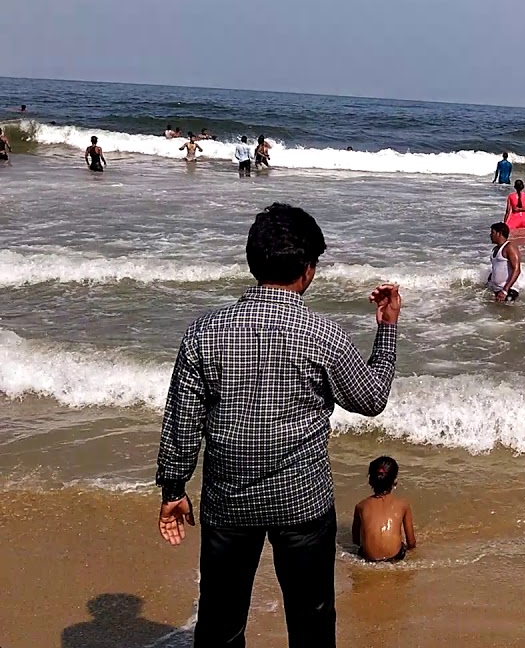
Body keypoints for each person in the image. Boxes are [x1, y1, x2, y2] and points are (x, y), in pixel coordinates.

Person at [155, 202, 401, 648]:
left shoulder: (203, 332)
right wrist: (386, 329)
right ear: (307, 270)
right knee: (311, 624)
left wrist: (173, 490)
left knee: (220, 623)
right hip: (302, 503)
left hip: (229, 501)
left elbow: (182, 420)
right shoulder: (322, 334)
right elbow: (371, 398)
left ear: (254, 262)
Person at [352, 457, 417, 563]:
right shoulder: (403, 505)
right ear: (395, 481)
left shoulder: (360, 506)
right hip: (395, 557)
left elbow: (355, 541)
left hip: (368, 558)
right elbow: (412, 543)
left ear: (370, 481)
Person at [486, 222, 521, 302]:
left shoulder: (509, 247)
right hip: (497, 290)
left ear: (499, 234)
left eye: (492, 233)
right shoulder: (495, 249)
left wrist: (505, 290)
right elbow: (497, 267)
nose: (490, 235)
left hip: (509, 290)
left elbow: (517, 270)